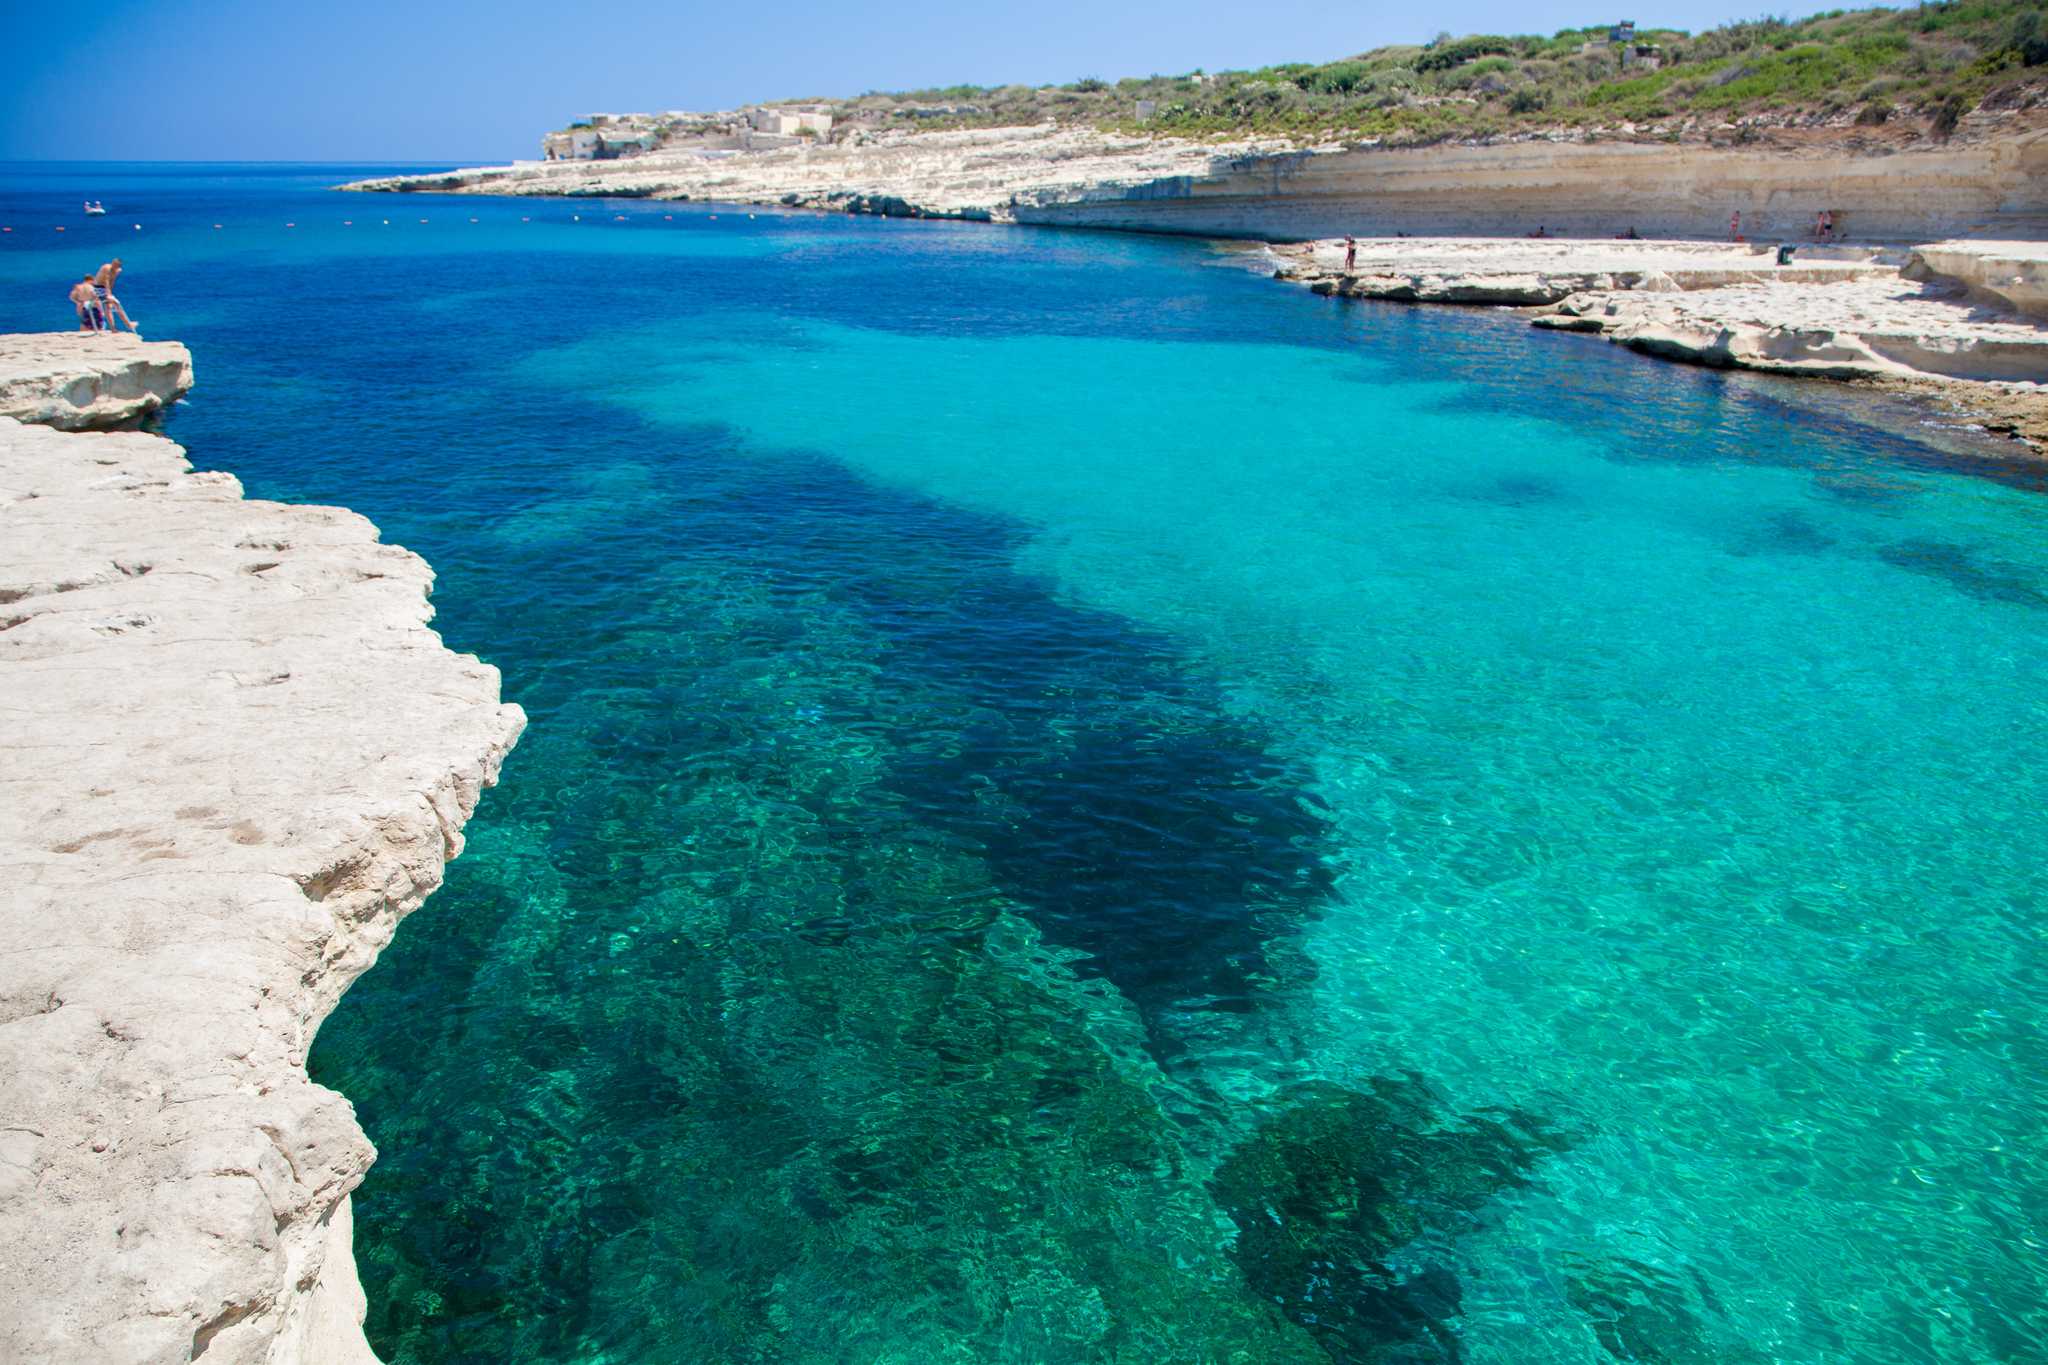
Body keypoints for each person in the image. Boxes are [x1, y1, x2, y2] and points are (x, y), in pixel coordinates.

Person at [93, 257, 139, 334]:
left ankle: (114, 328)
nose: (113, 266)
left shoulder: (118, 271)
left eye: (115, 265)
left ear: (118, 266)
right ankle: (128, 324)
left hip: (105, 289)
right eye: (113, 264)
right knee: (116, 303)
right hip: (98, 288)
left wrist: (110, 291)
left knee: (109, 307)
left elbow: (112, 281)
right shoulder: (106, 268)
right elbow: (106, 281)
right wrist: (108, 294)